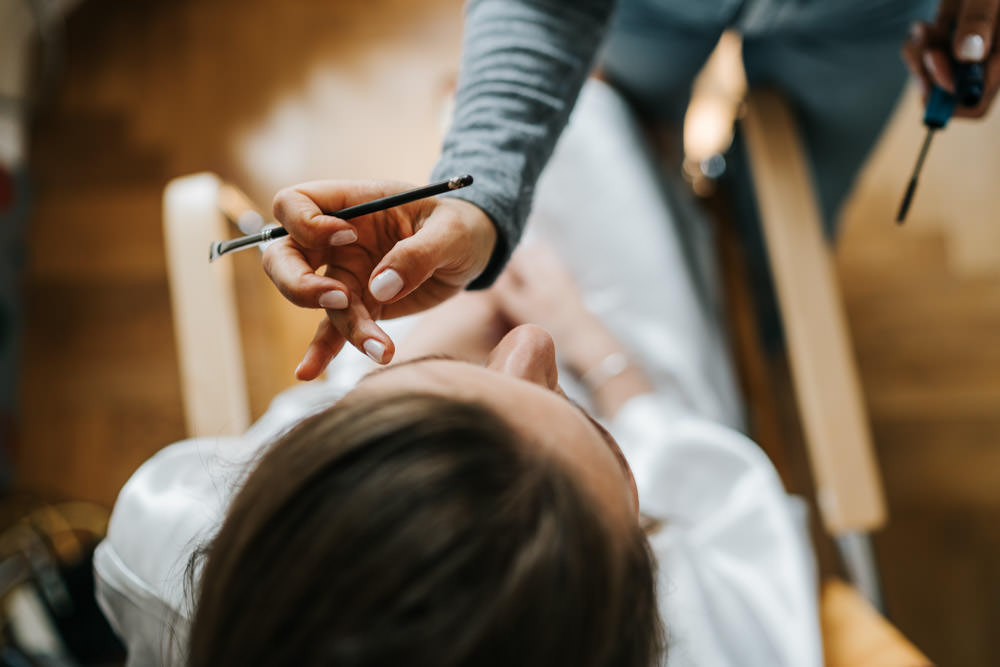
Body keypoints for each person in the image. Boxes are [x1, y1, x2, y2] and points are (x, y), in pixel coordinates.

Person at [94, 81, 820, 666]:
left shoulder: (158, 535)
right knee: (586, 115)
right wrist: (598, 351)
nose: (532, 344)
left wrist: (440, 338)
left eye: (382, 403)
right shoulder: (721, 628)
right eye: (604, 448)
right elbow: (727, 500)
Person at [262, 0, 999, 372]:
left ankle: (761, 323)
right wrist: (478, 197)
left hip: (865, 22)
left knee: (771, 257)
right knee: (631, 126)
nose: (529, 358)